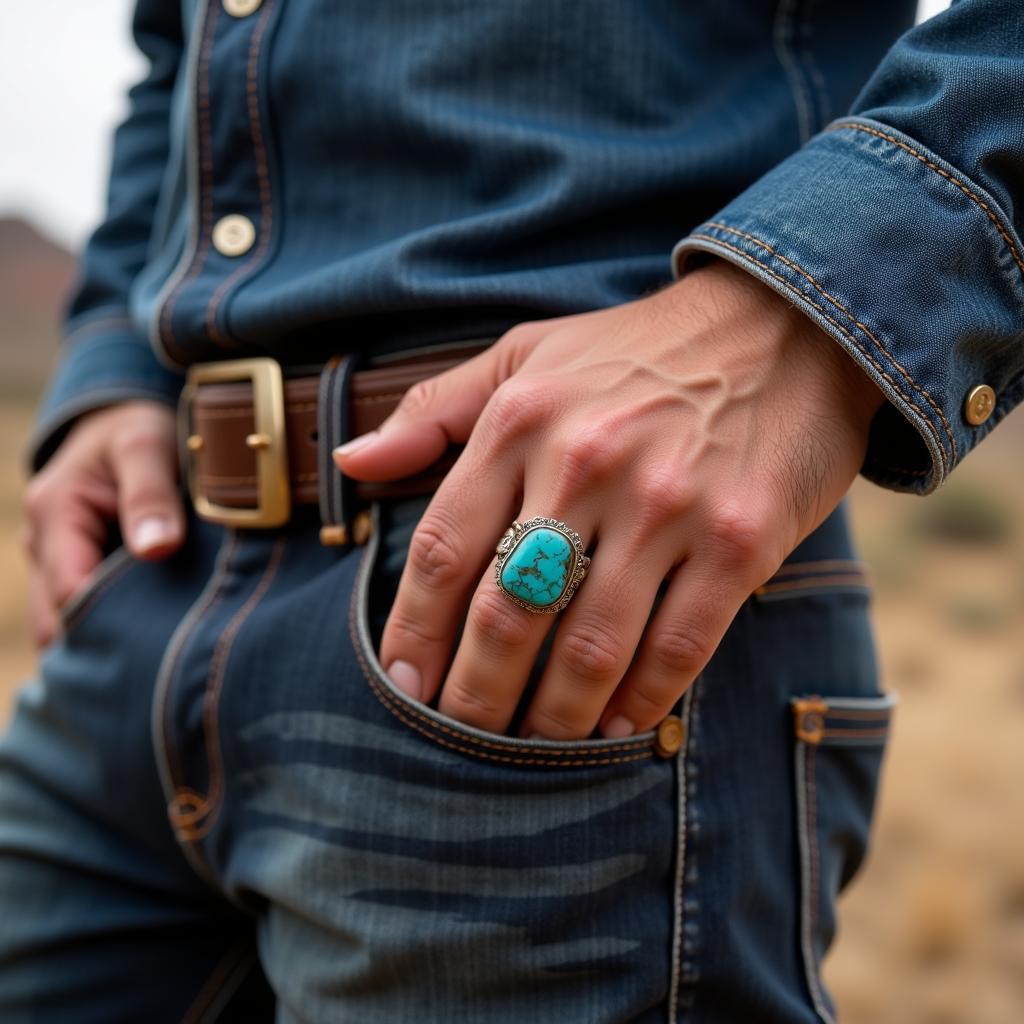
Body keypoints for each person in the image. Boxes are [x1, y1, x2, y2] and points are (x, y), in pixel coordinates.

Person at [1, 0, 1020, 1019]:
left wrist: (811, 306)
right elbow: (176, 54)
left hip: (561, 588)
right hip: (142, 603)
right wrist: (110, 358)